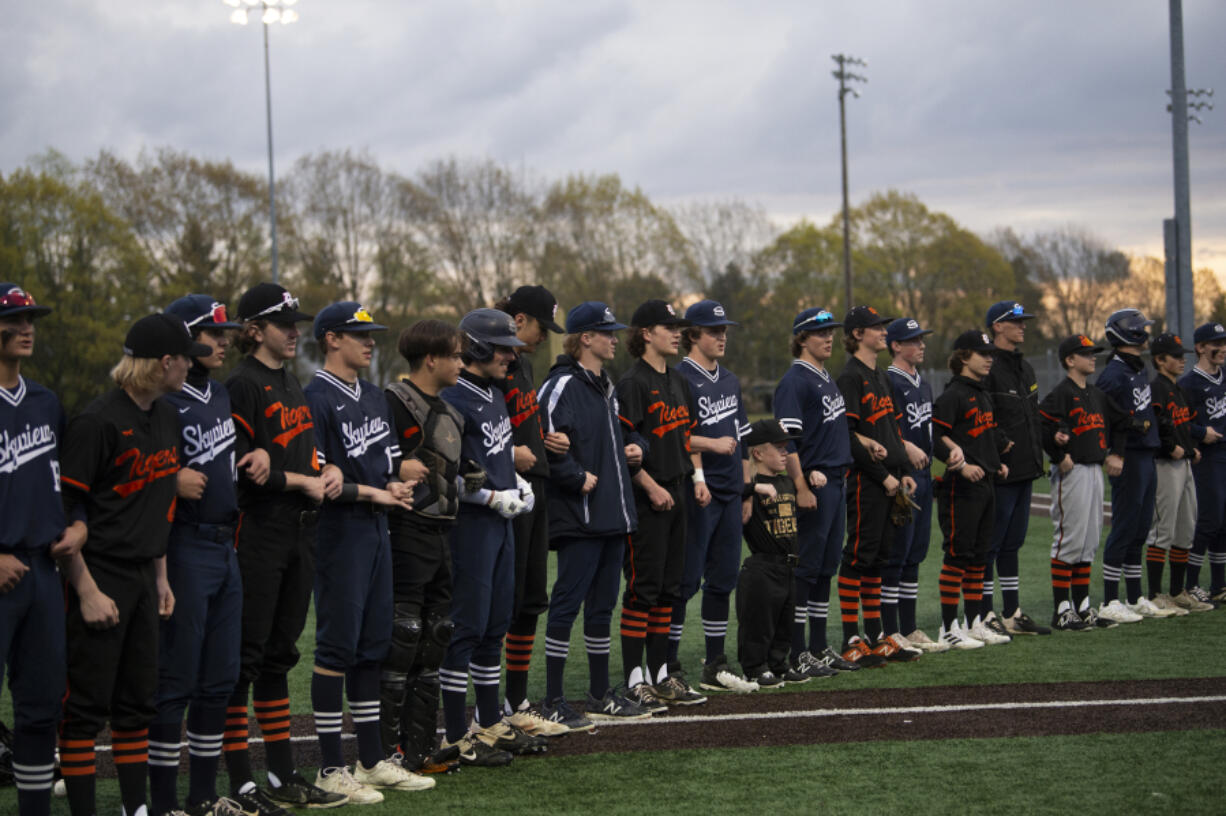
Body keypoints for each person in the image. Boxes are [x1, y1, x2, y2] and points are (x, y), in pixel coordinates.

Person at [58, 313, 205, 816]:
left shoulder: (164, 415)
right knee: (85, 707)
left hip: (145, 575)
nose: (191, 366)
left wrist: (161, 578)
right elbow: (65, 515)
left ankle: (135, 809)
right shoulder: (96, 422)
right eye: (187, 359)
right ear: (165, 362)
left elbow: (156, 501)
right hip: (99, 572)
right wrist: (85, 589)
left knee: (137, 702)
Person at [303, 302, 433, 803]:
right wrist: (381, 492)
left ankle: (372, 759)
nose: (370, 342)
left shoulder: (374, 395)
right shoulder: (315, 398)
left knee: (373, 645)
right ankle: (330, 767)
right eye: (358, 334)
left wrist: (399, 482)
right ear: (331, 339)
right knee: (337, 646)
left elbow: (385, 465)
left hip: (377, 530)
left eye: (371, 334)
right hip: (339, 534)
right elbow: (324, 481)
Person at [222, 284, 342, 812]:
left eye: (295, 322)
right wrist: (300, 481)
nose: (294, 331)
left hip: (299, 531)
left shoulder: (288, 381)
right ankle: (241, 781)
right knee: (244, 660)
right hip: (261, 531)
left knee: (279, 657)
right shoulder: (242, 384)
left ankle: (280, 773)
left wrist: (327, 470)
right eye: (282, 323)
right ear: (253, 331)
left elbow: (302, 456)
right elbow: (248, 471)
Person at [149, 296, 267, 816]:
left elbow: (226, 454)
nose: (222, 341)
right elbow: (133, 465)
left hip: (225, 545)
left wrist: (256, 452)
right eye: (212, 333)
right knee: (177, 677)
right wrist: (166, 478)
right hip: (184, 545)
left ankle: (201, 796)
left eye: (226, 332)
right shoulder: (162, 400)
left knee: (219, 677)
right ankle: (162, 801)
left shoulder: (218, 392)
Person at [381, 320, 512, 769]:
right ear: (432, 358)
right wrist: (396, 470)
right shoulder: (393, 403)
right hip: (405, 533)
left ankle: (420, 747)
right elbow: (372, 463)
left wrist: (475, 478)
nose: (462, 362)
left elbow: (455, 469)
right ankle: (388, 751)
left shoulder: (450, 412)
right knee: (404, 641)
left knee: (436, 637)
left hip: (442, 533)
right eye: (456, 355)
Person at [536, 302, 651, 724]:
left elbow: (627, 430)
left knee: (602, 606)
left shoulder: (605, 384)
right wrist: (574, 475)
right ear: (586, 338)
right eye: (607, 332)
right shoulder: (561, 384)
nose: (615, 339)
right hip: (580, 515)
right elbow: (545, 436)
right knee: (566, 605)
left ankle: (600, 694)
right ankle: (552, 699)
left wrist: (641, 446)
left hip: (612, 514)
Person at [438, 309, 544, 760]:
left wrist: (515, 484)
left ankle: (488, 721)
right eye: (502, 347)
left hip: (500, 526)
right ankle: (456, 733)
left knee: (495, 624)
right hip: (471, 527)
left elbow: (495, 459)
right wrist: (489, 498)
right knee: (466, 627)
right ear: (478, 348)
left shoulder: (493, 393)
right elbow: (444, 475)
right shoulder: (454, 399)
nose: (510, 355)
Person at [0, 285, 83, 816]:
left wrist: (76, 525)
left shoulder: (46, 401)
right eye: (16, 319)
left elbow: (63, 486)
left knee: (40, 705)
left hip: (42, 573)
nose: (28, 327)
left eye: (32, 318)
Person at [617, 299, 710, 711]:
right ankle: (634, 678)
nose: (677, 332)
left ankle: (659, 674)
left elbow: (686, 439)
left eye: (678, 326)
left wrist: (697, 478)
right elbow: (623, 449)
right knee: (643, 589)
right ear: (644, 334)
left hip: (679, 492)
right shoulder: (632, 383)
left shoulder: (678, 381)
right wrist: (651, 486)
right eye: (667, 326)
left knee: (671, 589)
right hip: (646, 498)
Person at [491, 286, 571, 734]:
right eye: (542, 326)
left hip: (534, 490)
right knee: (503, 603)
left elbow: (521, 423)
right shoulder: (490, 366)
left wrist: (545, 438)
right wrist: (510, 455)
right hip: (503, 497)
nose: (544, 337)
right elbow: (480, 434)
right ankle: (491, 710)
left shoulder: (520, 363)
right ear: (519, 320)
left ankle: (516, 699)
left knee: (529, 601)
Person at [674, 300, 757, 692]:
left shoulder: (730, 380)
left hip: (729, 494)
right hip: (699, 492)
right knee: (685, 580)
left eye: (724, 331)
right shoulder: (681, 378)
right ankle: (668, 665)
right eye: (713, 331)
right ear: (693, 335)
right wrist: (699, 476)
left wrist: (747, 489)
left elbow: (740, 439)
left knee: (723, 579)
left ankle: (714, 661)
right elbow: (677, 436)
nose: (721, 337)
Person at [772, 308, 855, 677]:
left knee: (825, 568)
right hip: (815, 487)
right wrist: (801, 485)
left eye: (831, 331)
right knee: (805, 570)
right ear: (802, 338)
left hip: (836, 481)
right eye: (821, 332)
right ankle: (798, 650)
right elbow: (786, 443)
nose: (829, 338)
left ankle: (819, 646)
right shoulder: (795, 381)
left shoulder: (824, 377)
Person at [835, 306, 919, 665]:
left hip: (888, 478)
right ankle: (852, 639)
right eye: (876, 327)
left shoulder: (880, 375)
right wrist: (882, 475)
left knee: (878, 560)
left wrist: (899, 470)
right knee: (857, 557)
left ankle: (875, 635)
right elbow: (849, 435)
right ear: (857, 334)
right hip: (864, 480)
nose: (883, 332)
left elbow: (891, 428)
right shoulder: (850, 376)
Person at [1038, 335, 1127, 631]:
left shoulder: (1096, 394)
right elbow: (1039, 425)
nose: (1092, 358)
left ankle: (1083, 607)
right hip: (1071, 472)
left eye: (1093, 353)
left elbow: (1124, 421)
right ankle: (1062, 610)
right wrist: (1057, 453)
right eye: (1085, 354)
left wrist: (1118, 452)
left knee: (1089, 540)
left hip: (1094, 470)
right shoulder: (1061, 393)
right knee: (1069, 539)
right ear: (1069, 360)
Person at [931, 330, 1009, 649]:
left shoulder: (982, 392)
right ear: (964, 356)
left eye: (991, 352)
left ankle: (974, 621)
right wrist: (961, 466)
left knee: (979, 557)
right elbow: (936, 437)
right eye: (982, 353)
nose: (990, 357)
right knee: (958, 555)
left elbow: (983, 436)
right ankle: (949, 627)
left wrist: (995, 462)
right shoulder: (954, 395)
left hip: (986, 483)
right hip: (960, 488)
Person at [981, 301, 1050, 638]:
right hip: (1001, 472)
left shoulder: (1025, 369)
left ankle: (1011, 612)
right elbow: (983, 417)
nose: (1023, 326)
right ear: (997, 326)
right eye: (1016, 321)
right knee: (991, 545)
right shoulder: (989, 367)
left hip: (1025, 469)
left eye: (1024, 321)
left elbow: (1032, 419)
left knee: (1012, 544)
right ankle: (983, 614)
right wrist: (998, 446)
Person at [884, 318, 948, 653]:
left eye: (922, 339)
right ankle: (891, 630)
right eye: (913, 340)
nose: (921, 345)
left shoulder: (921, 381)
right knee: (897, 553)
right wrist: (904, 450)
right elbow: (884, 426)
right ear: (895, 345)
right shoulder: (890, 380)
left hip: (923, 475)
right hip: (901, 474)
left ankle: (908, 628)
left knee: (915, 554)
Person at [1095, 308, 1160, 624]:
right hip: (1130, 455)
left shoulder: (1137, 368)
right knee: (1124, 525)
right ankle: (1109, 599)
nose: (1145, 333)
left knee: (1141, 526)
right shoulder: (1113, 375)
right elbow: (1105, 419)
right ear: (1127, 333)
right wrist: (1112, 452)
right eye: (1140, 328)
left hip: (1146, 454)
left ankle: (1134, 596)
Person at [736, 419, 803, 688]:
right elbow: (730, 489)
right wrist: (753, 488)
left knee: (784, 621)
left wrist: (813, 478)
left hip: (787, 566)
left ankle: (778, 663)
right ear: (758, 453)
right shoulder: (752, 482)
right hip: (762, 566)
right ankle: (754, 667)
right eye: (778, 448)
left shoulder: (785, 481)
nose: (785, 452)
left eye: (786, 447)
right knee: (759, 623)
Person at [1146, 332, 1202, 614]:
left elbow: (1184, 424)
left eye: (1183, 356)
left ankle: (1177, 591)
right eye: (1176, 356)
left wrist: (1190, 448)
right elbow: (1157, 423)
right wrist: (1171, 447)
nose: (1182, 360)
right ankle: (1156, 594)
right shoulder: (1157, 387)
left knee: (1185, 527)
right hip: (1166, 464)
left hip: (1185, 463)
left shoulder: (1177, 388)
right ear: (1160, 360)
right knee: (1162, 530)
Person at [1179, 321, 1226, 606]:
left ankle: (1219, 584)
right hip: (1206, 457)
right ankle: (1191, 584)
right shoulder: (1189, 384)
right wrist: (1199, 433)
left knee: (1224, 523)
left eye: (1223, 343)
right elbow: (1179, 422)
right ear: (1200, 348)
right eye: (1215, 344)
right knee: (1208, 520)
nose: (1221, 348)